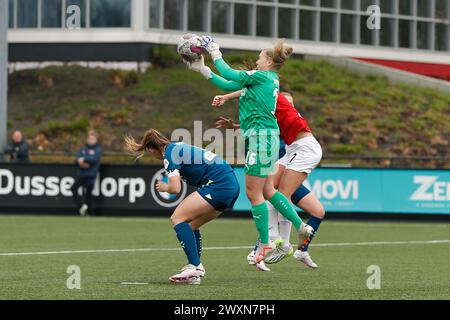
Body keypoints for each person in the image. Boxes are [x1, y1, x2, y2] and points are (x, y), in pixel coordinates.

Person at [184, 37, 313, 268]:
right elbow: (226, 85)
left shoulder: (261, 76)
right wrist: (203, 69)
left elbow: (229, 72)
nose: (256, 60)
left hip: (260, 140)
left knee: (254, 194)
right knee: (268, 190)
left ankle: (265, 243)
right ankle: (301, 226)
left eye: (260, 57)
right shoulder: (268, 79)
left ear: (269, 61)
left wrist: (214, 51)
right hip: (265, 139)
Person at [214, 91, 324, 270]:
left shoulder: (280, 115)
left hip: (298, 158)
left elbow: (247, 92)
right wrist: (234, 125)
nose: (289, 106)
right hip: (290, 159)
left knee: (297, 203)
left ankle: (292, 246)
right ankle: (274, 242)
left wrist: (226, 98)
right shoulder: (274, 117)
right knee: (271, 192)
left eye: (291, 104)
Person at [124, 128, 240, 285]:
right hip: (230, 184)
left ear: (151, 149)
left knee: (177, 217)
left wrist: (165, 187)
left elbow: (175, 188)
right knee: (191, 225)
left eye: (149, 152)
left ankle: (196, 266)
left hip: (219, 184)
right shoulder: (177, 146)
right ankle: (194, 272)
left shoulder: (169, 154)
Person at [71, 130, 102, 216]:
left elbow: (94, 159)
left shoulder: (98, 149)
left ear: (96, 139)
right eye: (89, 138)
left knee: (88, 193)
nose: (91, 140)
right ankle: (81, 206)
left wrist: (84, 160)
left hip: (91, 175)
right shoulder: (83, 149)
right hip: (81, 174)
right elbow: (77, 159)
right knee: (73, 188)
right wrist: (81, 162)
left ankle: (87, 211)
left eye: (93, 138)